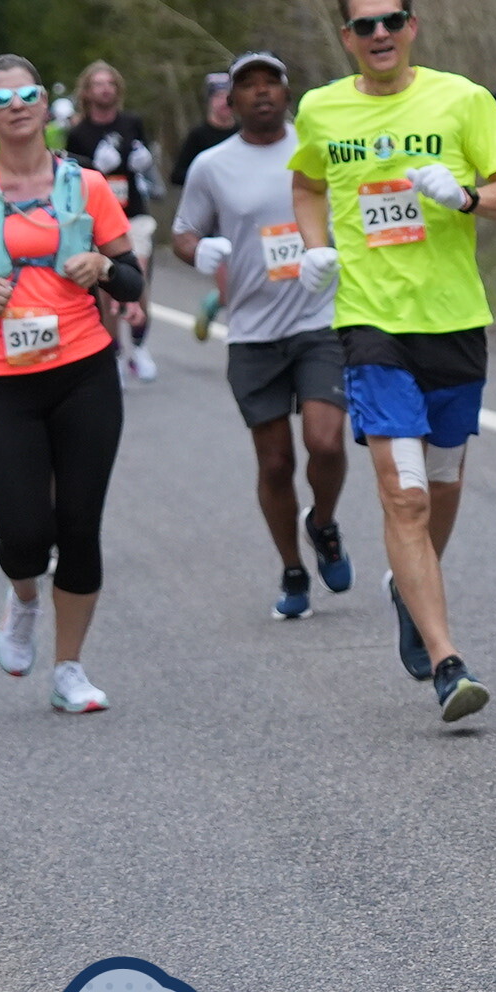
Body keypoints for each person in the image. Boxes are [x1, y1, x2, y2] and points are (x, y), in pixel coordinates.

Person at [289, 0, 496, 726]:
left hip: (453, 320)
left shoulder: (464, 100)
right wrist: (314, 246)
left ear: (412, 27)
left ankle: (407, 588)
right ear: (347, 38)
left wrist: (465, 197)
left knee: (444, 483)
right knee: (407, 495)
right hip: (371, 323)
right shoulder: (321, 109)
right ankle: (448, 662)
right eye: (365, 25)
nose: (380, 34)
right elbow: (307, 184)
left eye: (391, 20)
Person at [0, 59, 139, 712]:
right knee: (24, 536)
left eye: (28, 93)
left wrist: (103, 267)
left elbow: (131, 280)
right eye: (2, 97)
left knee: (80, 526)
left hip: (84, 372)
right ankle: (22, 600)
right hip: (2, 380)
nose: (17, 104)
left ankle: (70, 669)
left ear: (46, 105)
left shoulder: (86, 186)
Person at [171, 52, 353, 621]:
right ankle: (292, 568)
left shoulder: (319, 147)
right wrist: (199, 251)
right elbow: (183, 231)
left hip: (320, 320)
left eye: (270, 82)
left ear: (286, 92)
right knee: (274, 463)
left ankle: (323, 523)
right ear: (231, 101)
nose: (261, 92)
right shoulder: (212, 166)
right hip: (252, 332)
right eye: (248, 85)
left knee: (326, 443)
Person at [57, 62, 161, 384]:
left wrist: (144, 162)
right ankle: (114, 352)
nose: (105, 89)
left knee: (137, 275)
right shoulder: (78, 133)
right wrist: (95, 167)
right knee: (107, 288)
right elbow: (71, 176)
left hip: (133, 213)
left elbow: (145, 163)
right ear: (87, 92)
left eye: (110, 84)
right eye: (98, 84)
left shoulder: (132, 123)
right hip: (97, 216)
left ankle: (139, 347)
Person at [170, 71, 236, 185]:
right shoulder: (198, 136)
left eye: (228, 96)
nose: (224, 102)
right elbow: (177, 176)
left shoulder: (244, 132)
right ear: (209, 100)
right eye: (218, 96)